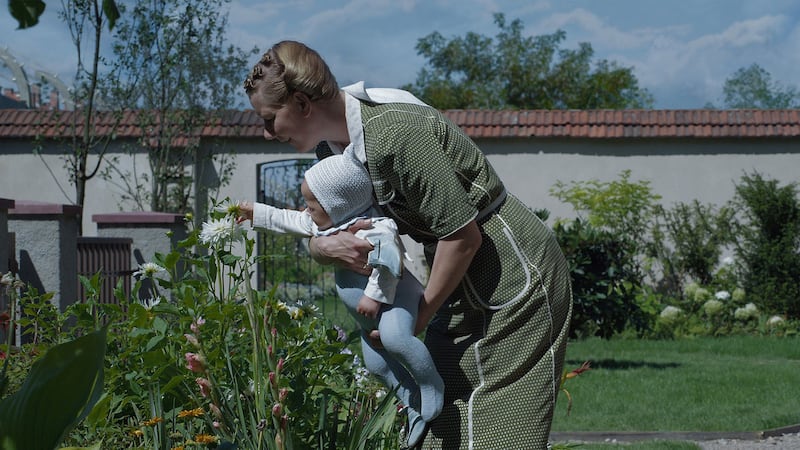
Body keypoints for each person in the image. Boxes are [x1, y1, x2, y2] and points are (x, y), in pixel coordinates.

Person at [242, 40, 573, 449]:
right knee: (439, 415)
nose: (267, 132)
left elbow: (462, 236)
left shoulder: (394, 134)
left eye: (271, 119)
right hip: (454, 274)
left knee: (494, 424)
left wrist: (419, 318)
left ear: (302, 103)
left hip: (508, 268)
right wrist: (321, 249)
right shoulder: (332, 149)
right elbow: (331, 226)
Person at [237, 151, 443, 447]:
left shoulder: (376, 227)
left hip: (395, 300)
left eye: (311, 204)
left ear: (336, 205)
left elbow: (390, 263)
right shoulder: (325, 225)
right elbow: (288, 218)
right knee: (376, 365)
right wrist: (254, 212)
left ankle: (431, 384)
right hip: (367, 318)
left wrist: (373, 297)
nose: (305, 211)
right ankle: (411, 401)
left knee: (396, 339)